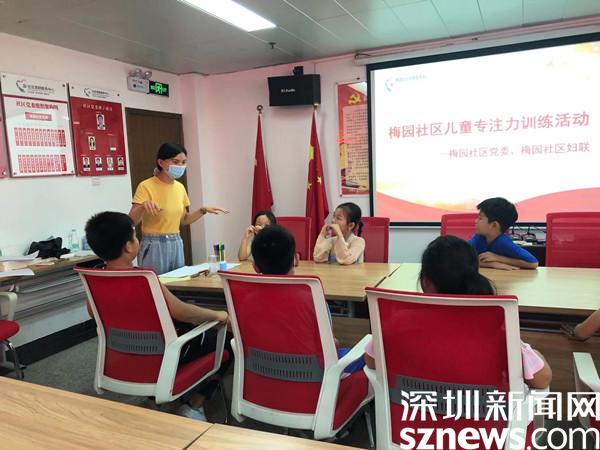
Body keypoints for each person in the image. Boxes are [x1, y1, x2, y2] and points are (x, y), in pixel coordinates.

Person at [84, 211, 229, 420]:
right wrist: (217, 315)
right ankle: (194, 405)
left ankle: (152, 402)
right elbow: (181, 311)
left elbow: (92, 312)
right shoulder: (143, 279)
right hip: (163, 355)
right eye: (135, 236)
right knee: (226, 342)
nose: (138, 240)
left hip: (122, 357)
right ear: (128, 246)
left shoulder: (96, 277)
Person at [364, 235, 552, 389]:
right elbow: (542, 379)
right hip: (481, 424)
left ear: (425, 281)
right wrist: (531, 352)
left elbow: (371, 362)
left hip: (410, 421)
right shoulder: (495, 328)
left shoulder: (400, 321)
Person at [252, 225, 364, 373]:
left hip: (263, 373)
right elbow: (331, 345)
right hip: (313, 377)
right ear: (296, 259)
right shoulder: (312, 300)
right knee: (364, 354)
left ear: (255, 266)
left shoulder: (246, 300)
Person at [129, 143, 229, 275]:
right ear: (161, 162)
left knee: (178, 281)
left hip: (176, 241)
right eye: (176, 162)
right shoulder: (146, 186)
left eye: (183, 162)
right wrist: (143, 206)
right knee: (157, 282)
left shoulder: (180, 187)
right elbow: (131, 221)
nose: (180, 166)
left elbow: (184, 220)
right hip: (154, 244)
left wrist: (202, 210)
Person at [468, 197, 538, 270]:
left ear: (494, 225)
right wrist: (491, 264)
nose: (476, 221)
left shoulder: (504, 243)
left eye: (480, 218)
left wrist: (498, 258)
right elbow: (461, 258)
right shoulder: (478, 238)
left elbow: (533, 263)